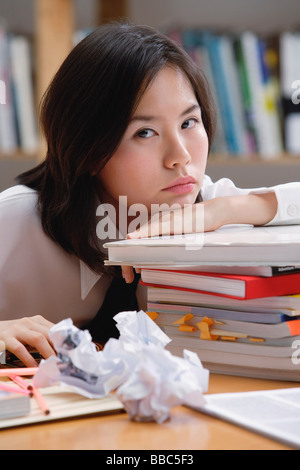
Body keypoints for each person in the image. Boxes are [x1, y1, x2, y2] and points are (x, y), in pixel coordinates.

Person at [0, 23, 299, 366]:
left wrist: (227, 210)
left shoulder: (207, 205)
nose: (180, 156)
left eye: (189, 123)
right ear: (91, 149)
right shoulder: (17, 221)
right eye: (145, 132)